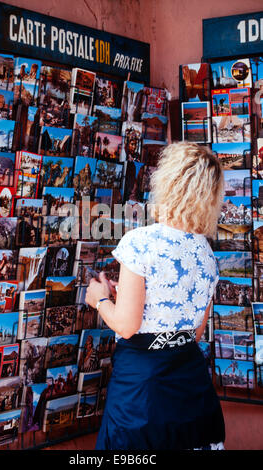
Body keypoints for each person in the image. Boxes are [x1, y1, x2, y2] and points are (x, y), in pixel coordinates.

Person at [85, 141, 226, 450]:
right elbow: (195, 332)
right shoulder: (205, 253)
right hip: (188, 381)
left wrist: (99, 298)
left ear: (168, 183)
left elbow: (126, 326)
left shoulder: (140, 242)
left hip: (143, 385)